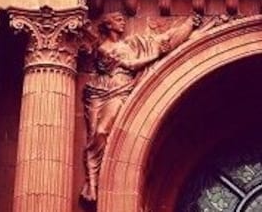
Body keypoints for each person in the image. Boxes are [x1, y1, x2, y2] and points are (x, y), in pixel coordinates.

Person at [80, 11, 223, 203]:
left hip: (121, 89)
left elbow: (165, 39)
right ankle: (93, 184)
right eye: (118, 19)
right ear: (107, 25)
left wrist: (188, 24)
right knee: (98, 134)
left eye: (123, 20)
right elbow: (129, 65)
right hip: (99, 91)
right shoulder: (104, 48)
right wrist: (155, 55)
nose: (122, 23)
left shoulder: (134, 43)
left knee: (103, 131)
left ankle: (95, 185)